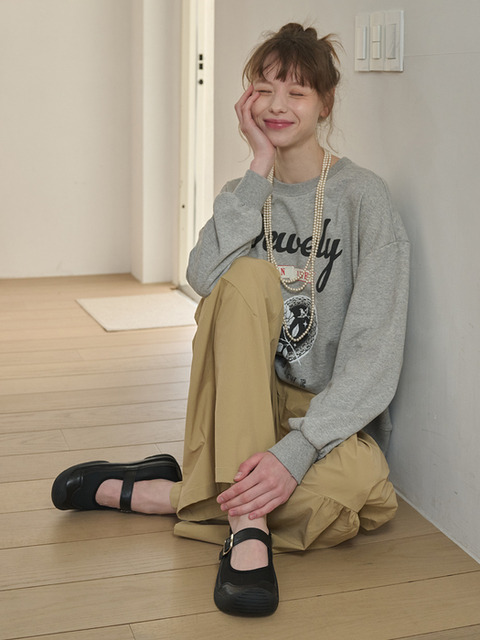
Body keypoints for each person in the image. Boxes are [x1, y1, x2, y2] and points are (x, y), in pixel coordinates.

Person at [51, 23, 409, 617]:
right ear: (247, 100)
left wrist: (299, 450)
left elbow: (375, 348)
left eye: (296, 92)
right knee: (245, 276)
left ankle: (168, 492)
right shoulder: (244, 193)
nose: (277, 105)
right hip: (239, 398)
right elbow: (202, 275)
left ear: (325, 103)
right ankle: (247, 529)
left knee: (360, 494)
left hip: (321, 414)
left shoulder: (363, 198)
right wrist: (258, 165)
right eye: (264, 89)